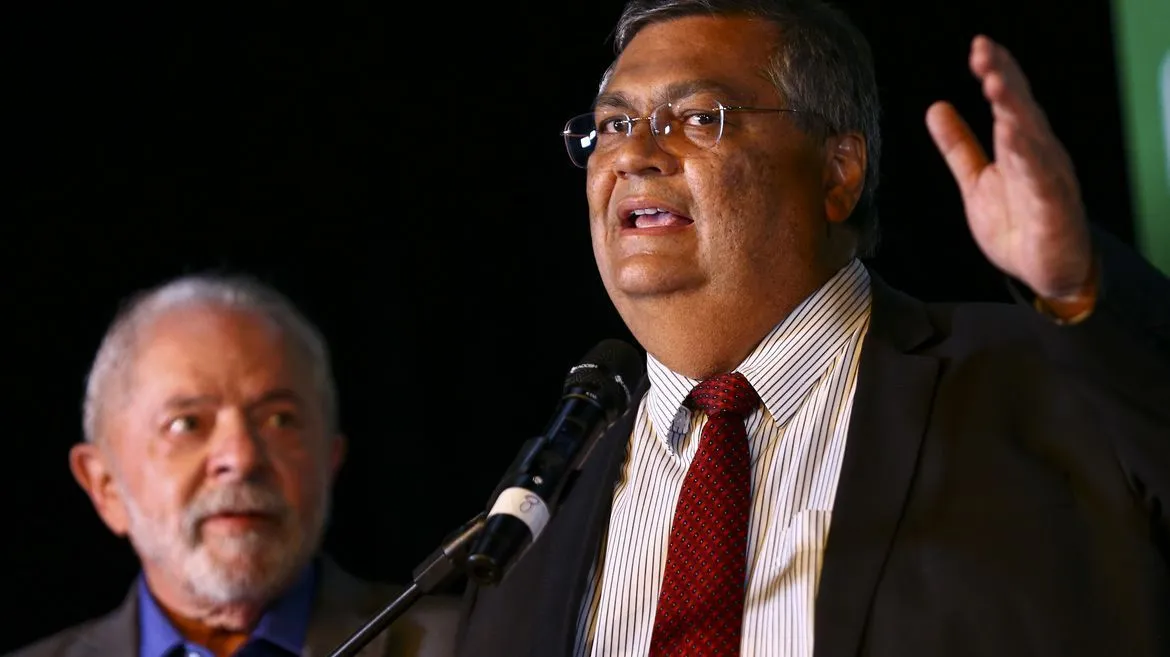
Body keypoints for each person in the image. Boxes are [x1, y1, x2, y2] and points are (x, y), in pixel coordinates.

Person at [455, 1, 1170, 656]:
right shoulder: (538, 512)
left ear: (837, 173)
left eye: (698, 117)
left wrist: (1081, 286)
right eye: (614, 124)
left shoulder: (1040, 380)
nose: (633, 155)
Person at [8, 274, 459, 657]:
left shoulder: (470, 643)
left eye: (280, 419)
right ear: (105, 486)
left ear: (330, 461)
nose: (241, 458)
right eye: (187, 424)